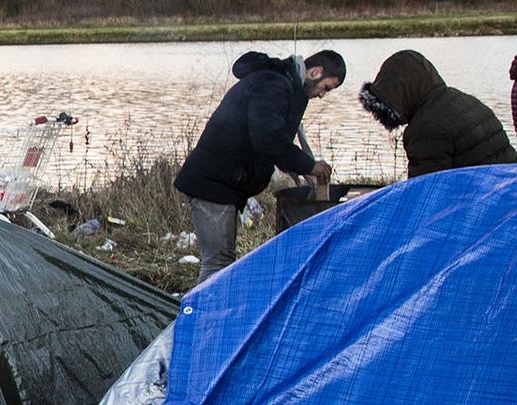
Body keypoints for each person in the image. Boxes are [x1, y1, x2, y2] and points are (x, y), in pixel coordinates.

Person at [174, 48, 345, 280]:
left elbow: (262, 138)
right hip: (213, 183)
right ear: (316, 72)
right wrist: (309, 165)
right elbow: (268, 138)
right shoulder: (274, 84)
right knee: (218, 264)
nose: (322, 95)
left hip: (226, 183)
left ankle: (212, 314)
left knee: (222, 262)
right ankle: (202, 315)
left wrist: (293, 165)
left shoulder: (285, 85)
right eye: (326, 88)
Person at [359, 49, 516, 177]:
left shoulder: (425, 128)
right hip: (506, 191)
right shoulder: (463, 100)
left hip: (480, 202)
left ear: (398, 95)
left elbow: (425, 192)